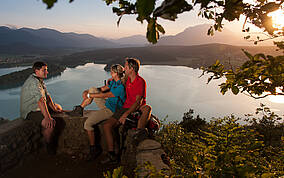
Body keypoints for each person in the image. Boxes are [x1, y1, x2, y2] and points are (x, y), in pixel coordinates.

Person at [67, 64, 126, 161]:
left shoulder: (120, 87)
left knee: (87, 124)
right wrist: (87, 91)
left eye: (112, 71)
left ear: (116, 73)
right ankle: (80, 109)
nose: (110, 73)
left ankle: (94, 149)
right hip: (107, 104)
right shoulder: (113, 82)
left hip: (112, 110)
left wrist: (90, 95)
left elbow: (106, 94)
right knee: (93, 89)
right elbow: (102, 89)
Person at [102, 58, 152, 164]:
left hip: (136, 107)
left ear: (131, 69)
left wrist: (126, 114)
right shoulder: (127, 79)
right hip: (125, 107)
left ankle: (138, 133)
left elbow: (138, 101)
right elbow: (118, 81)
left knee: (147, 108)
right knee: (107, 126)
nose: (124, 68)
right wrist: (110, 81)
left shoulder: (140, 81)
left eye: (126, 66)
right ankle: (112, 155)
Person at [20, 61, 63, 154]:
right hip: (30, 111)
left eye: (46, 70)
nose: (47, 72)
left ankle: (45, 134)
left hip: (38, 108)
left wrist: (55, 109)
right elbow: (40, 101)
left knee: (58, 107)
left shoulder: (39, 80)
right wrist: (48, 117)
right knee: (50, 124)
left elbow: (47, 97)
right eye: (44, 70)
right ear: (37, 71)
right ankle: (48, 146)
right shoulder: (33, 82)